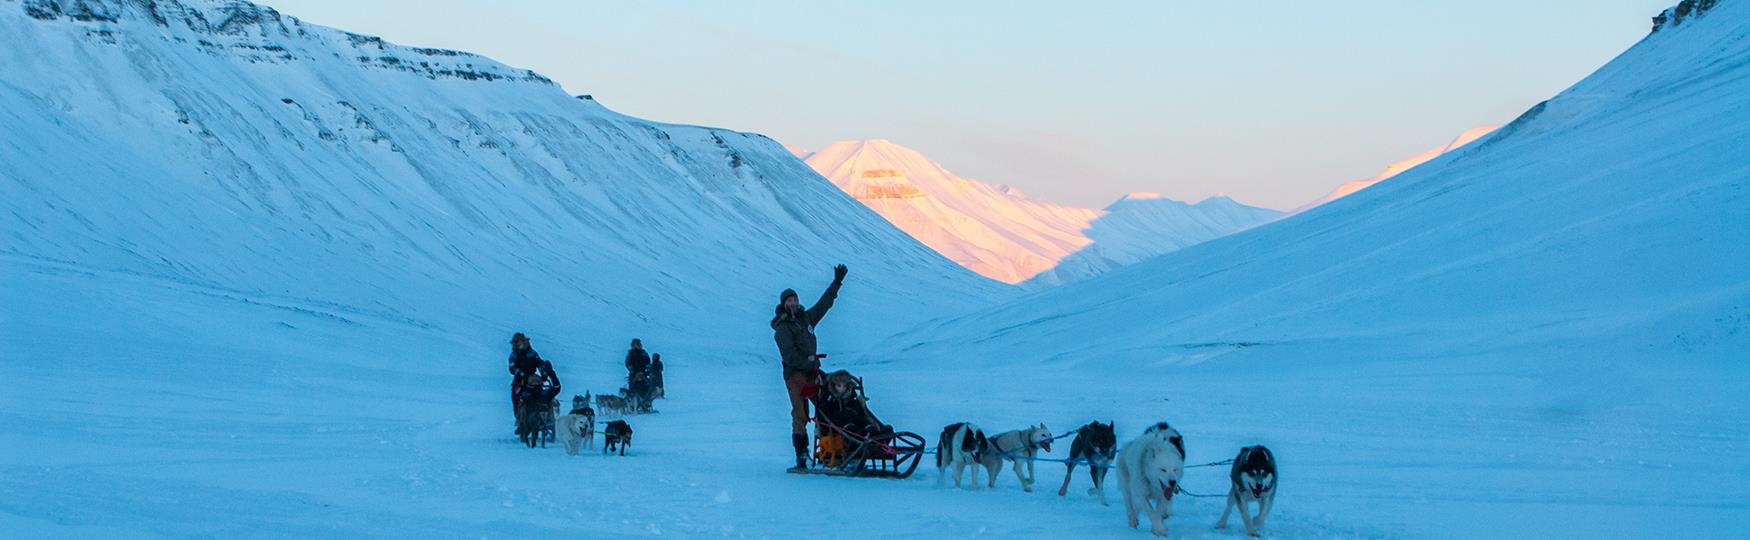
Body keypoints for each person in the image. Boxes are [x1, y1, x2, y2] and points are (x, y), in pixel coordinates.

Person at [772, 264, 847, 470]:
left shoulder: (806, 319)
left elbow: (824, 305)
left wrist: (836, 283)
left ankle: (831, 446)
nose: (794, 303)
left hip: (812, 373)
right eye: (790, 301)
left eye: (795, 300)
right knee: (800, 413)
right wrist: (810, 361)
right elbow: (790, 356)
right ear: (784, 305)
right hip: (795, 375)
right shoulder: (782, 329)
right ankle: (802, 454)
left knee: (827, 406)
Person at [507, 333, 560, 428]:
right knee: (515, 396)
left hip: (533, 378)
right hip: (520, 380)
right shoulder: (513, 355)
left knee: (541, 393)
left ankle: (545, 414)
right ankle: (519, 418)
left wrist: (544, 371)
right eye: (518, 343)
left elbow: (539, 363)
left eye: (522, 342)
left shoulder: (532, 353)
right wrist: (518, 372)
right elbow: (512, 368)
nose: (520, 345)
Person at [812, 370, 887, 437]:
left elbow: (860, 411)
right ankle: (863, 441)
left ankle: (876, 440)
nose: (842, 388)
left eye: (844, 386)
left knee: (869, 425)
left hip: (854, 422)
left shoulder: (851, 396)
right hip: (837, 426)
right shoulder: (828, 398)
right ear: (833, 386)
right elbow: (824, 414)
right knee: (850, 427)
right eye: (839, 386)